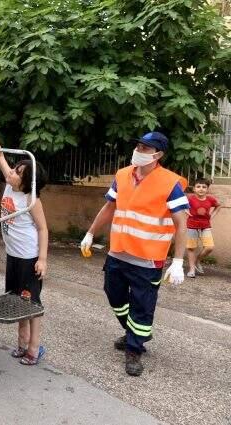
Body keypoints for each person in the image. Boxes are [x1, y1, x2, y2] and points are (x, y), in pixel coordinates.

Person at [80, 131, 188, 376]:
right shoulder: (122, 175)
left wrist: (178, 261)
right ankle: (134, 333)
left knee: (142, 305)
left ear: (157, 155)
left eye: (145, 148)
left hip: (148, 259)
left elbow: (182, 224)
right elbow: (109, 207)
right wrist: (90, 233)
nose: (138, 150)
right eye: (138, 145)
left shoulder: (170, 183)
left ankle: (134, 351)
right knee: (114, 295)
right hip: (118, 253)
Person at [0, 121, 49, 366]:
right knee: (17, 300)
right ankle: (22, 344)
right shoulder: (11, 186)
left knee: (31, 303)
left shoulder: (31, 199)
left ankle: (34, 349)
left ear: (27, 182)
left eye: (18, 173)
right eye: (14, 169)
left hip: (29, 258)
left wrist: (42, 259)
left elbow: (43, 229)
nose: (11, 173)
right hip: (13, 255)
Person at [186, 179, 221, 278]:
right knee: (191, 248)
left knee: (209, 247)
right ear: (194, 189)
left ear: (207, 189)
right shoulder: (190, 199)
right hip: (192, 225)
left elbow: (218, 206)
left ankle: (197, 260)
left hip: (205, 226)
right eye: (198, 186)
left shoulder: (210, 199)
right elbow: (182, 205)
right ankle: (192, 269)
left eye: (204, 187)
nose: (201, 189)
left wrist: (212, 216)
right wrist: (186, 211)